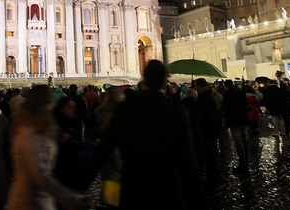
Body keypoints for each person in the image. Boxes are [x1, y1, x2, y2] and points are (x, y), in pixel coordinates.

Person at [83, 60, 206, 209]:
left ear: (144, 78)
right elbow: (186, 160)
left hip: (133, 186)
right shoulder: (176, 112)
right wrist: (198, 200)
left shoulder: (125, 109)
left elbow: (103, 150)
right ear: (164, 82)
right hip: (166, 188)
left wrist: (79, 185)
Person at [6, 84, 86, 210]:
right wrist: (70, 198)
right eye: (49, 101)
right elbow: (40, 175)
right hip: (28, 201)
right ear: (42, 103)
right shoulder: (29, 132)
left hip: (40, 199)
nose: (52, 104)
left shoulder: (41, 127)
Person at [193, 77, 222, 188]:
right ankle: (213, 176)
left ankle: (212, 177)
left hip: (207, 130)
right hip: (211, 129)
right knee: (210, 154)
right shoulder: (207, 96)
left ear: (199, 86)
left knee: (209, 155)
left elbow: (205, 115)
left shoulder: (204, 98)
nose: (195, 87)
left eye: (196, 85)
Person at [221, 80, 251, 174]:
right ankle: (246, 160)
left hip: (234, 121)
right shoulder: (241, 93)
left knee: (238, 142)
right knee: (245, 140)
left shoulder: (226, 95)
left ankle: (242, 163)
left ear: (226, 86)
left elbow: (224, 108)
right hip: (244, 119)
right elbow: (246, 105)